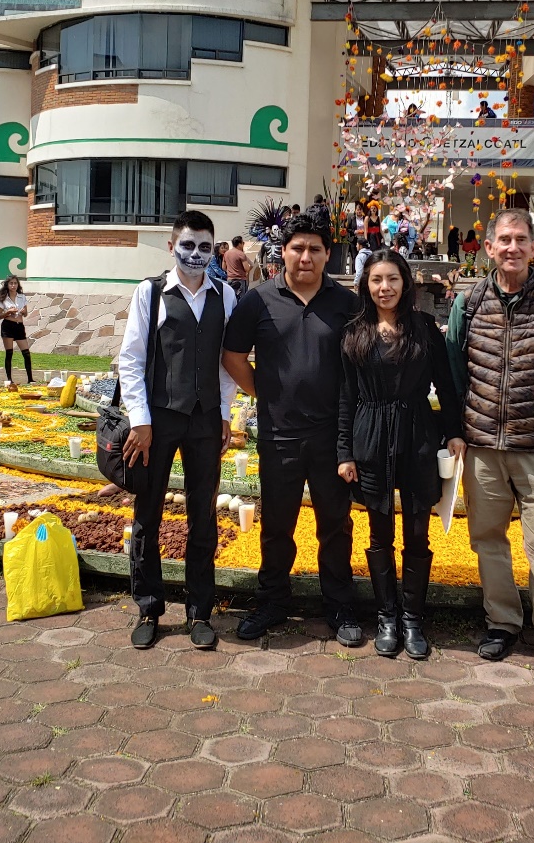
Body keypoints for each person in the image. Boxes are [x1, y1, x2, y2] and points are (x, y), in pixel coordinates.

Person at [446, 209, 534, 675]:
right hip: (483, 443)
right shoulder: (468, 303)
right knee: (487, 540)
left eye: (521, 239)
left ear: (533, 246)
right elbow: (452, 372)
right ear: (488, 248)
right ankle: (503, 623)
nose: (512, 247)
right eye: (503, 239)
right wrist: (455, 429)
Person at [223, 214, 362, 646]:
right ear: (282, 252)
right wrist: (263, 392)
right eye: (297, 248)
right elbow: (232, 355)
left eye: (315, 249)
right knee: (277, 524)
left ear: (327, 255)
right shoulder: (258, 301)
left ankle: (338, 603)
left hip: (332, 436)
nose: (306, 257)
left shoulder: (347, 303)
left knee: (335, 525)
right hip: (279, 435)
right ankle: (272, 600)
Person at [118, 211, 238, 651]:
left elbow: (228, 362)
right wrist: (141, 420)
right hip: (160, 420)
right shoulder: (150, 293)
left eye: (205, 247)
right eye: (188, 245)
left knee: (203, 517)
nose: (196, 254)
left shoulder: (225, 295)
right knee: (148, 513)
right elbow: (130, 358)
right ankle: (149, 607)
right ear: (172, 246)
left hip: (205, 421)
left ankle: (200, 612)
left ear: (215, 250)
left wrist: (225, 413)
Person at [337, 250, 464, 659]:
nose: (384, 287)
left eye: (392, 279)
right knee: (378, 531)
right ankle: (386, 616)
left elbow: (445, 386)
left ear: (405, 283)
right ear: (366, 285)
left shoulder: (425, 328)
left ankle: (412, 618)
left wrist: (455, 433)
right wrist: (345, 452)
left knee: (417, 530)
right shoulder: (354, 332)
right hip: (370, 434)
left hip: (417, 433)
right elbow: (345, 396)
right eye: (376, 280)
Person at [0, 275, 34, 384]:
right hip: (8, 325)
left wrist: (23, 312)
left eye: (15, 283)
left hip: (19, 325)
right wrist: (8, 312)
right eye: (11, 283)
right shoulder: (3, 298)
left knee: (26, 352)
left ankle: (30, 379)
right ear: (7, 285)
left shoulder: (22, 297)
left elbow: (26, 313)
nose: (13, 285)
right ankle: (9, 379)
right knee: (9, 352)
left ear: (18, 285)